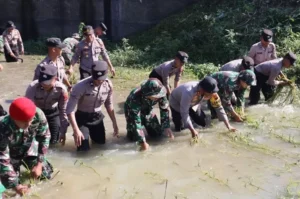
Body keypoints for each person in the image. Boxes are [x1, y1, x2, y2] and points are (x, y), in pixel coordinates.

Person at [0, 97, 53, 196]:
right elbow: (3, 159)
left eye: (30, 120)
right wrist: (16, 186)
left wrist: (39, 164)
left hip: (29, 149)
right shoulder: (3, 128)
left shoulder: (38, 114)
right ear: (14, 119)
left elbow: (45, 137)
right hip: (11, 156)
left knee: (46, 173)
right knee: (9, 188)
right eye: (24, 122)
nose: (28, 124)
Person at [66, 60, 119, 151]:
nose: (98, 81)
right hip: (82, 118)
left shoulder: (108, 85)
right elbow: (69, 110)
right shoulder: (80, 86)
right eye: (96, 78)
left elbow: (109, 105)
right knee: (83, 149)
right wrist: (76, 130)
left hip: (97, 118)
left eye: (101, 79)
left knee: (101, 146)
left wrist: (114, 123)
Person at [169, 77, 237, 138]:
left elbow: (219, 107)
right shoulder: (188, 92)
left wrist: (228, 126)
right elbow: (184, 113)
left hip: (195, 102)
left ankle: (194, 124)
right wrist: (192, 130)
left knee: (202, 121)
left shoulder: (212, 93)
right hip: (177, 102)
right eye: (210, 93)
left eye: (213, 92)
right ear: (202, 90)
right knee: (180, 129)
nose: (212, 95)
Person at [124, 78, 174, 151]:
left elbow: (164, 109)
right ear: (147, 95)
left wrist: (166, 126)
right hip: (131, 110)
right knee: (133, 139)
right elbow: (136, 121)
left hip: (148, 109)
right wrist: (142, 141)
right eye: (156, 96)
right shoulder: (135, 97)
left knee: (157, 135)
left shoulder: (160, 92)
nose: (159, 97)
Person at [25, 64, 69, 144]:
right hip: (36, 114)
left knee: (54, 141)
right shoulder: (33, 87)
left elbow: (63, 111)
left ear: (55, 79)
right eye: (43, 82)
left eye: (47, 82)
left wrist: (63, 132)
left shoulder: (61, 89)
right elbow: (28, 108)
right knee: (34, 140)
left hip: (53, 114)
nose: (44, 84)